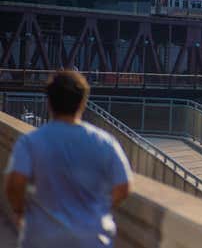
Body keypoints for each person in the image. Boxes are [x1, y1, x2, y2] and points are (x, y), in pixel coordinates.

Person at [4, 69, 132, 248]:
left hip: (42, 238)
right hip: (93, 239)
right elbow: (123, 186)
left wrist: (19, 211)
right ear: (83, 102)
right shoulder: (105, 142)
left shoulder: (30, 141)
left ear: (49, 102)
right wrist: (98, 209)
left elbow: (15, 183)